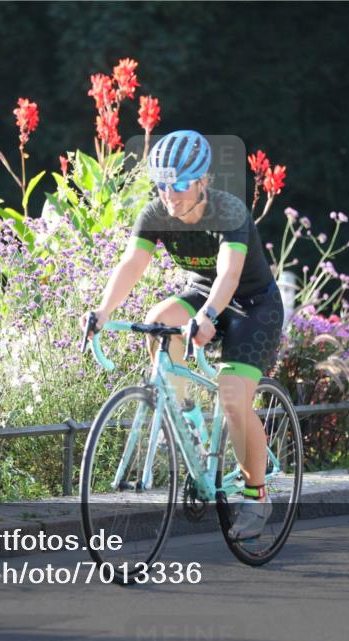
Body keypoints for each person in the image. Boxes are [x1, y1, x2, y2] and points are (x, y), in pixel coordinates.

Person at [80, 130, 284, 540]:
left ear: (203, 180)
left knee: (231, 394)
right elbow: (131, 264)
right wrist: (102, 311)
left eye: (179, 184)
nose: (169, 194)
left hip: (252, 304)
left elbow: (229, 272)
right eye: (162, 184)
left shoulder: (229, 211)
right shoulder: (156, 212)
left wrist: (209, 316)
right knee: (157, 322)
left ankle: (257, 494)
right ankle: (187, 417)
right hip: (202, 291)